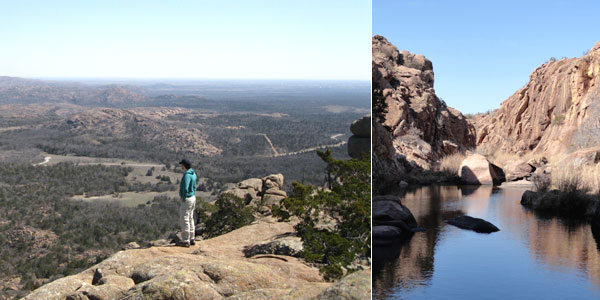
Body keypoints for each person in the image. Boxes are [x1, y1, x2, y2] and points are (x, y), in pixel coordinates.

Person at [177, 159, 197, 247]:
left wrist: (183, 197)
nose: (181, 166)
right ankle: (192, 238)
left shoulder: (187, 175)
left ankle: (186, 240)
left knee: (184, 218)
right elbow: (194, 186)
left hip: (187, 198)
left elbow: (185, 187)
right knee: (190, 217)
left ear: (184, 166)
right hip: (193, 197)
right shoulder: (193, 173)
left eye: (182, 165)